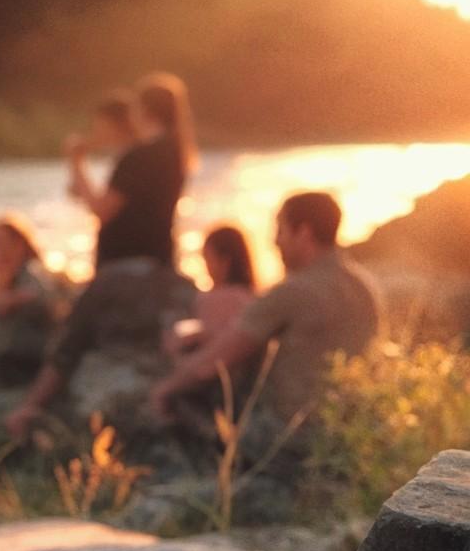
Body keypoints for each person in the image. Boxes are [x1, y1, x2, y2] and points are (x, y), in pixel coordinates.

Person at [150, 191, 384, 425]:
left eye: (280, 230)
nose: (275, 242)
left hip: (288, 432)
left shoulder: (293, 292)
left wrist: (163, 389)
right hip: (350, 426)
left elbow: (210, 365)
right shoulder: (364, 288)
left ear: (303, 233)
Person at [67, 74, 195, 271]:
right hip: (159, 260)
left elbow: (102, 210)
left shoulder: (140, 157)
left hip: (126, 266)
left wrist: (76, 163)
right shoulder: (174, 153)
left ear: (144, 110)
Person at [0, 214, 61, 388]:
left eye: (5, 244)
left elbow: (41, 295)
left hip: (26, 376)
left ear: (21, 246)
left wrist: (9, 296)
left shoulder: (33, 274)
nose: (0, 252)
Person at [165, 224, 257, 357]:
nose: (206, 267)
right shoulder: (251, 297)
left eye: (208, 259)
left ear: (225, 262)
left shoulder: (215, 298)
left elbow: (211, 347)